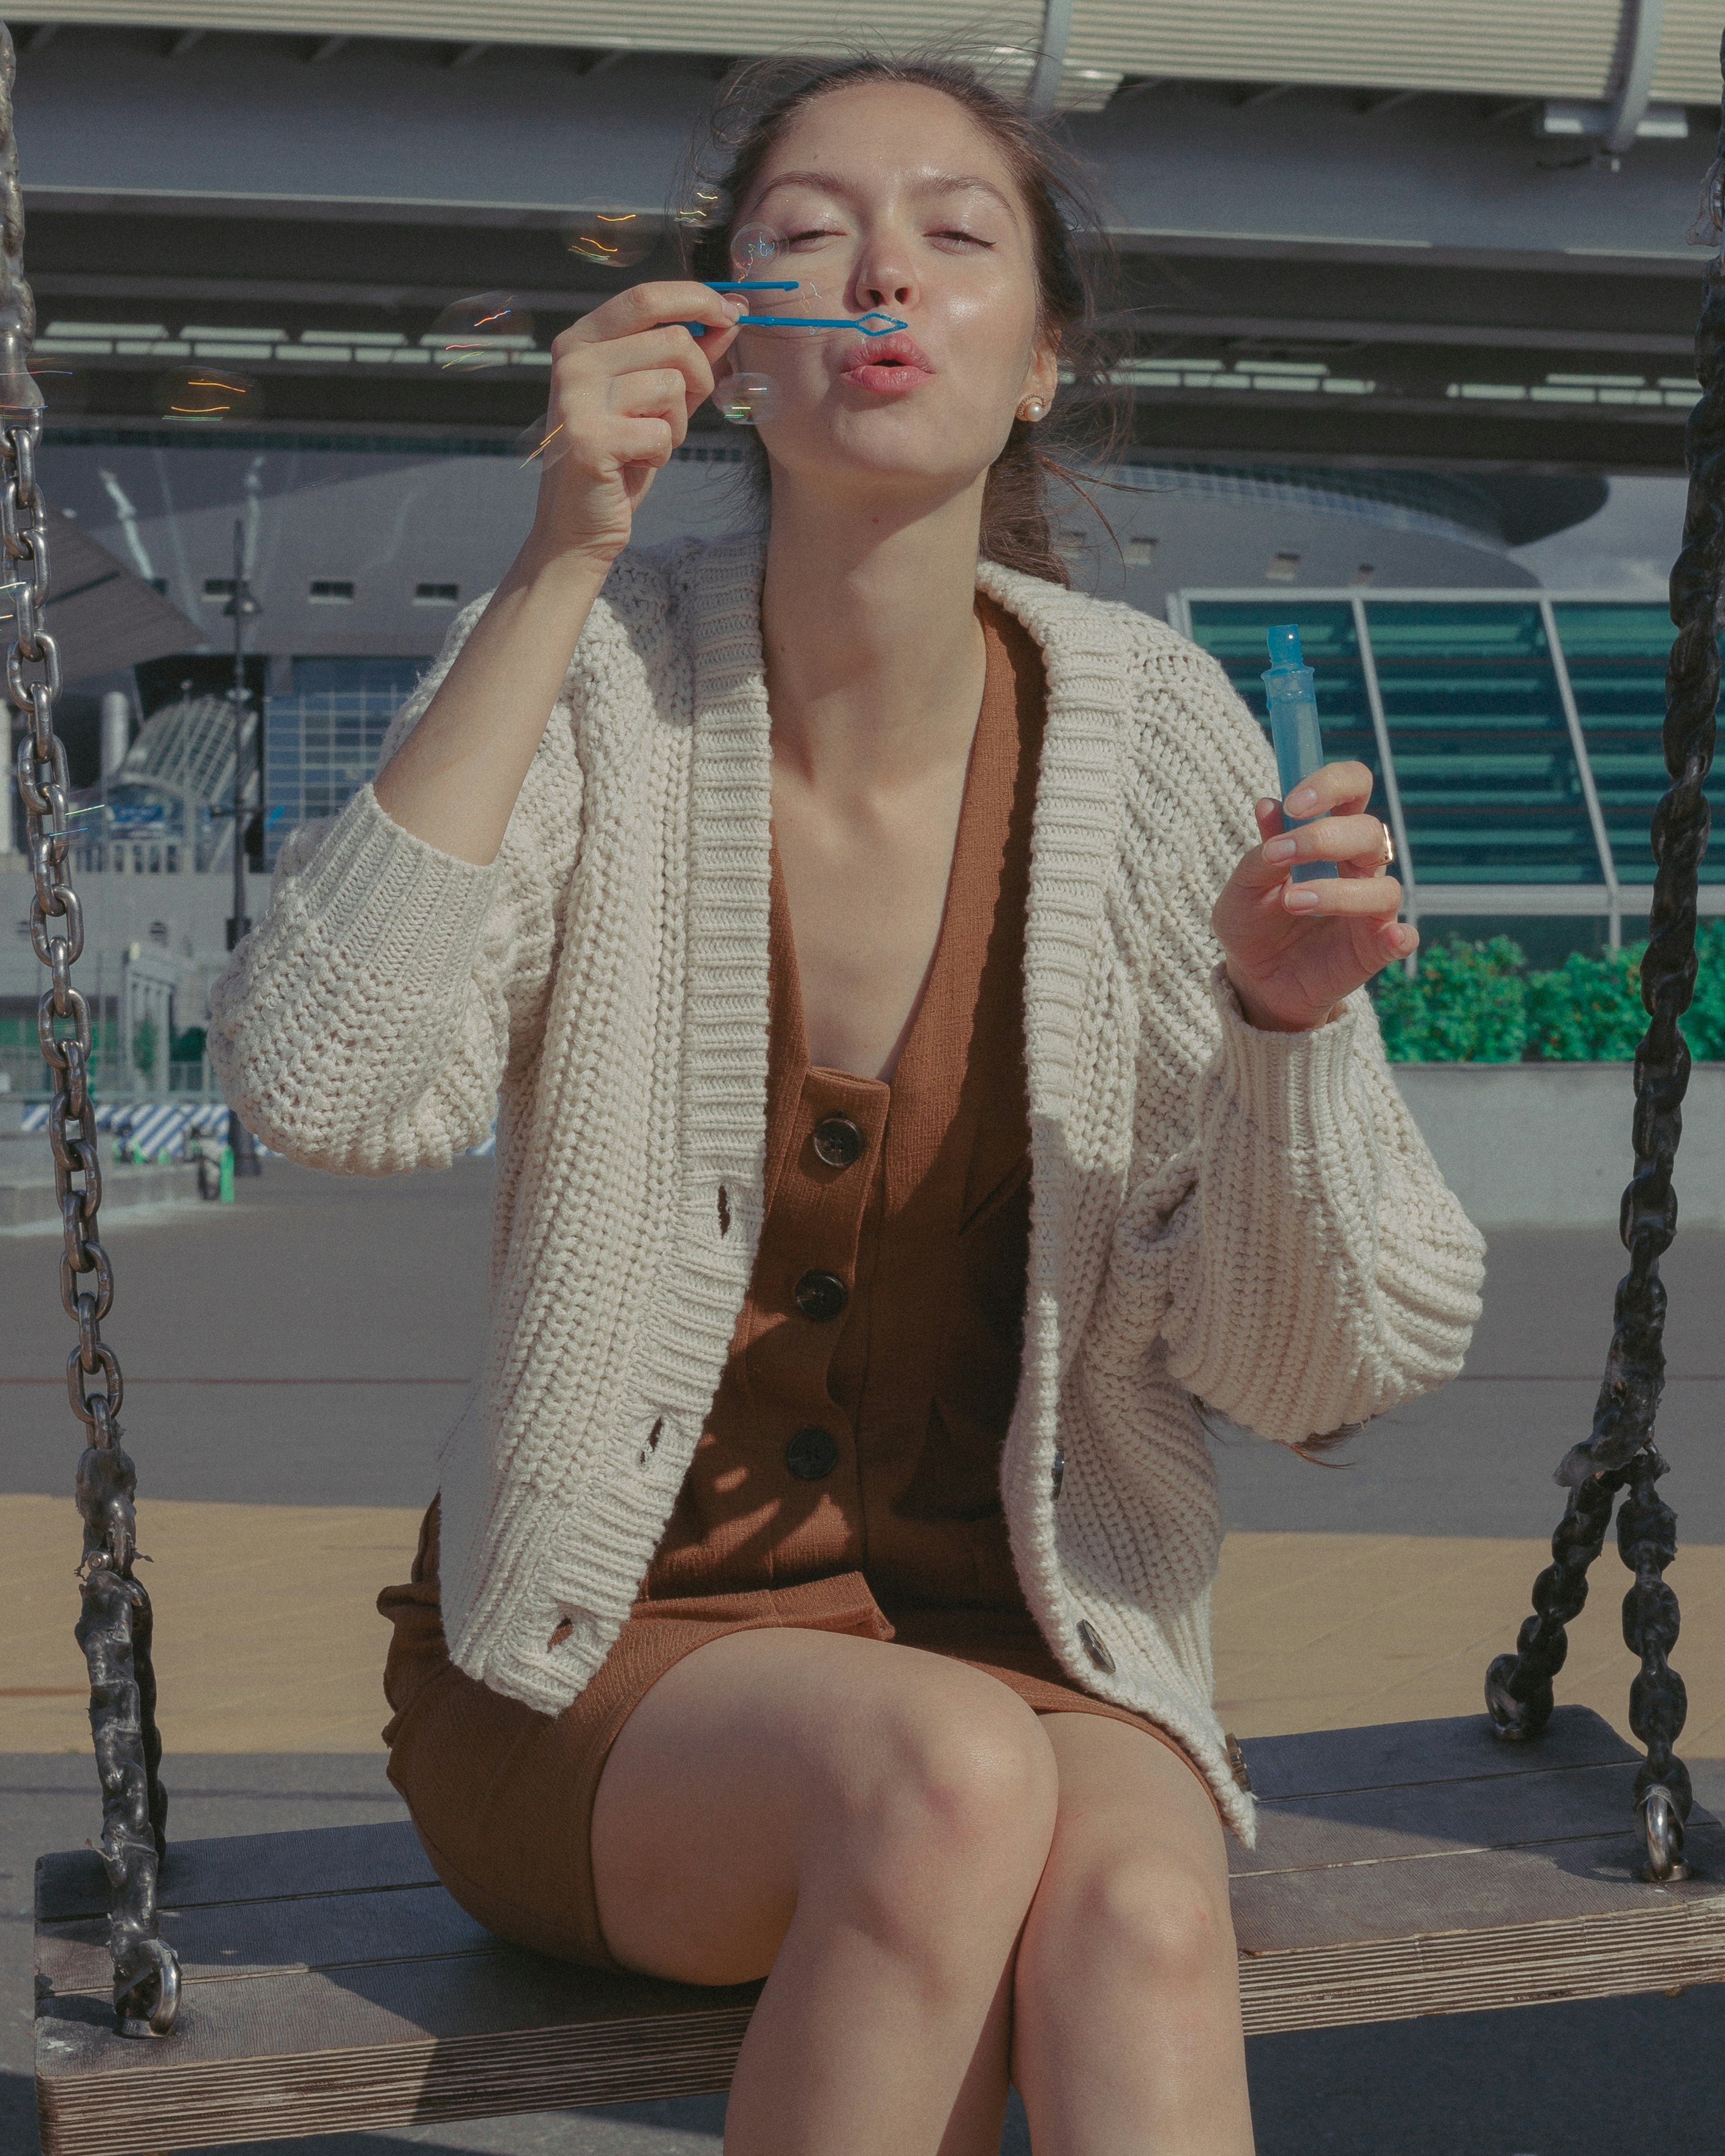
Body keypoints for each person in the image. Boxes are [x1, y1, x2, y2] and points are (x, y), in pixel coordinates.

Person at [211, 53, 1485, 2156]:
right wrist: (551, 556)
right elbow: (326, 1084)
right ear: (726, 351)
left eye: (957, 233)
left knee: (1148, 1921)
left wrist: (1282, 1034)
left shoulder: (1159, 736)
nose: (881, 266)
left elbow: (1317, 1363)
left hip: (1037, 1636)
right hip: (603, 1669)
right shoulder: (597, 675)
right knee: (945, 1787)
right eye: (804, 232)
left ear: (1043, 358)